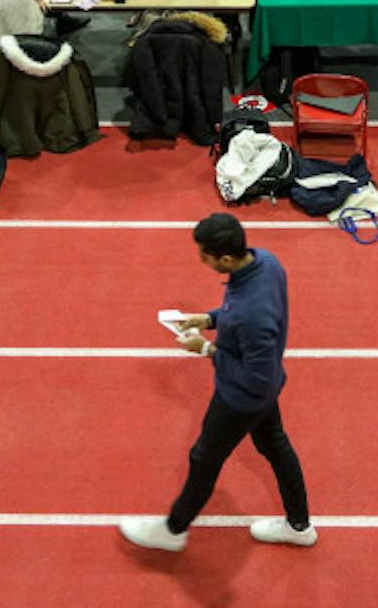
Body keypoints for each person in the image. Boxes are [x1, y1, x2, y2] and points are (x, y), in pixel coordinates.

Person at [119, 212, 314, 554]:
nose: (200, 260)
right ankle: (299, 525)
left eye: (204, 256)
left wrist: (207, 348)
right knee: (275, 446)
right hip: (265, 391)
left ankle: (174, 529)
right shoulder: (267, 262)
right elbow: (238, 311)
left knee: (203, 459)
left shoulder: (250, 315)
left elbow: (255, 374)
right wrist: (208, 318)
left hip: (242, 398)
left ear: (225, 258)